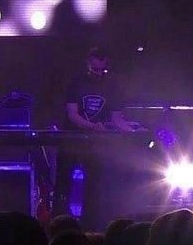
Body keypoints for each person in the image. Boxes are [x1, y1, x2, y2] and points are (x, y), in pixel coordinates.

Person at [54, 46, 134, 228]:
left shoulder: (112, 87)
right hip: (71, 140)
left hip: (95, 144)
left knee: (93, 187)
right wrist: (93, 126)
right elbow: (72, 115)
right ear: (88, 64)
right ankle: (60, 224)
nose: (98, 73)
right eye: (94, 69)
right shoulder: (76, 84)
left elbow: (116, 118)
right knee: (64, 184)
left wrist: (131, 131)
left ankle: (90, 225)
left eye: (102, 70)